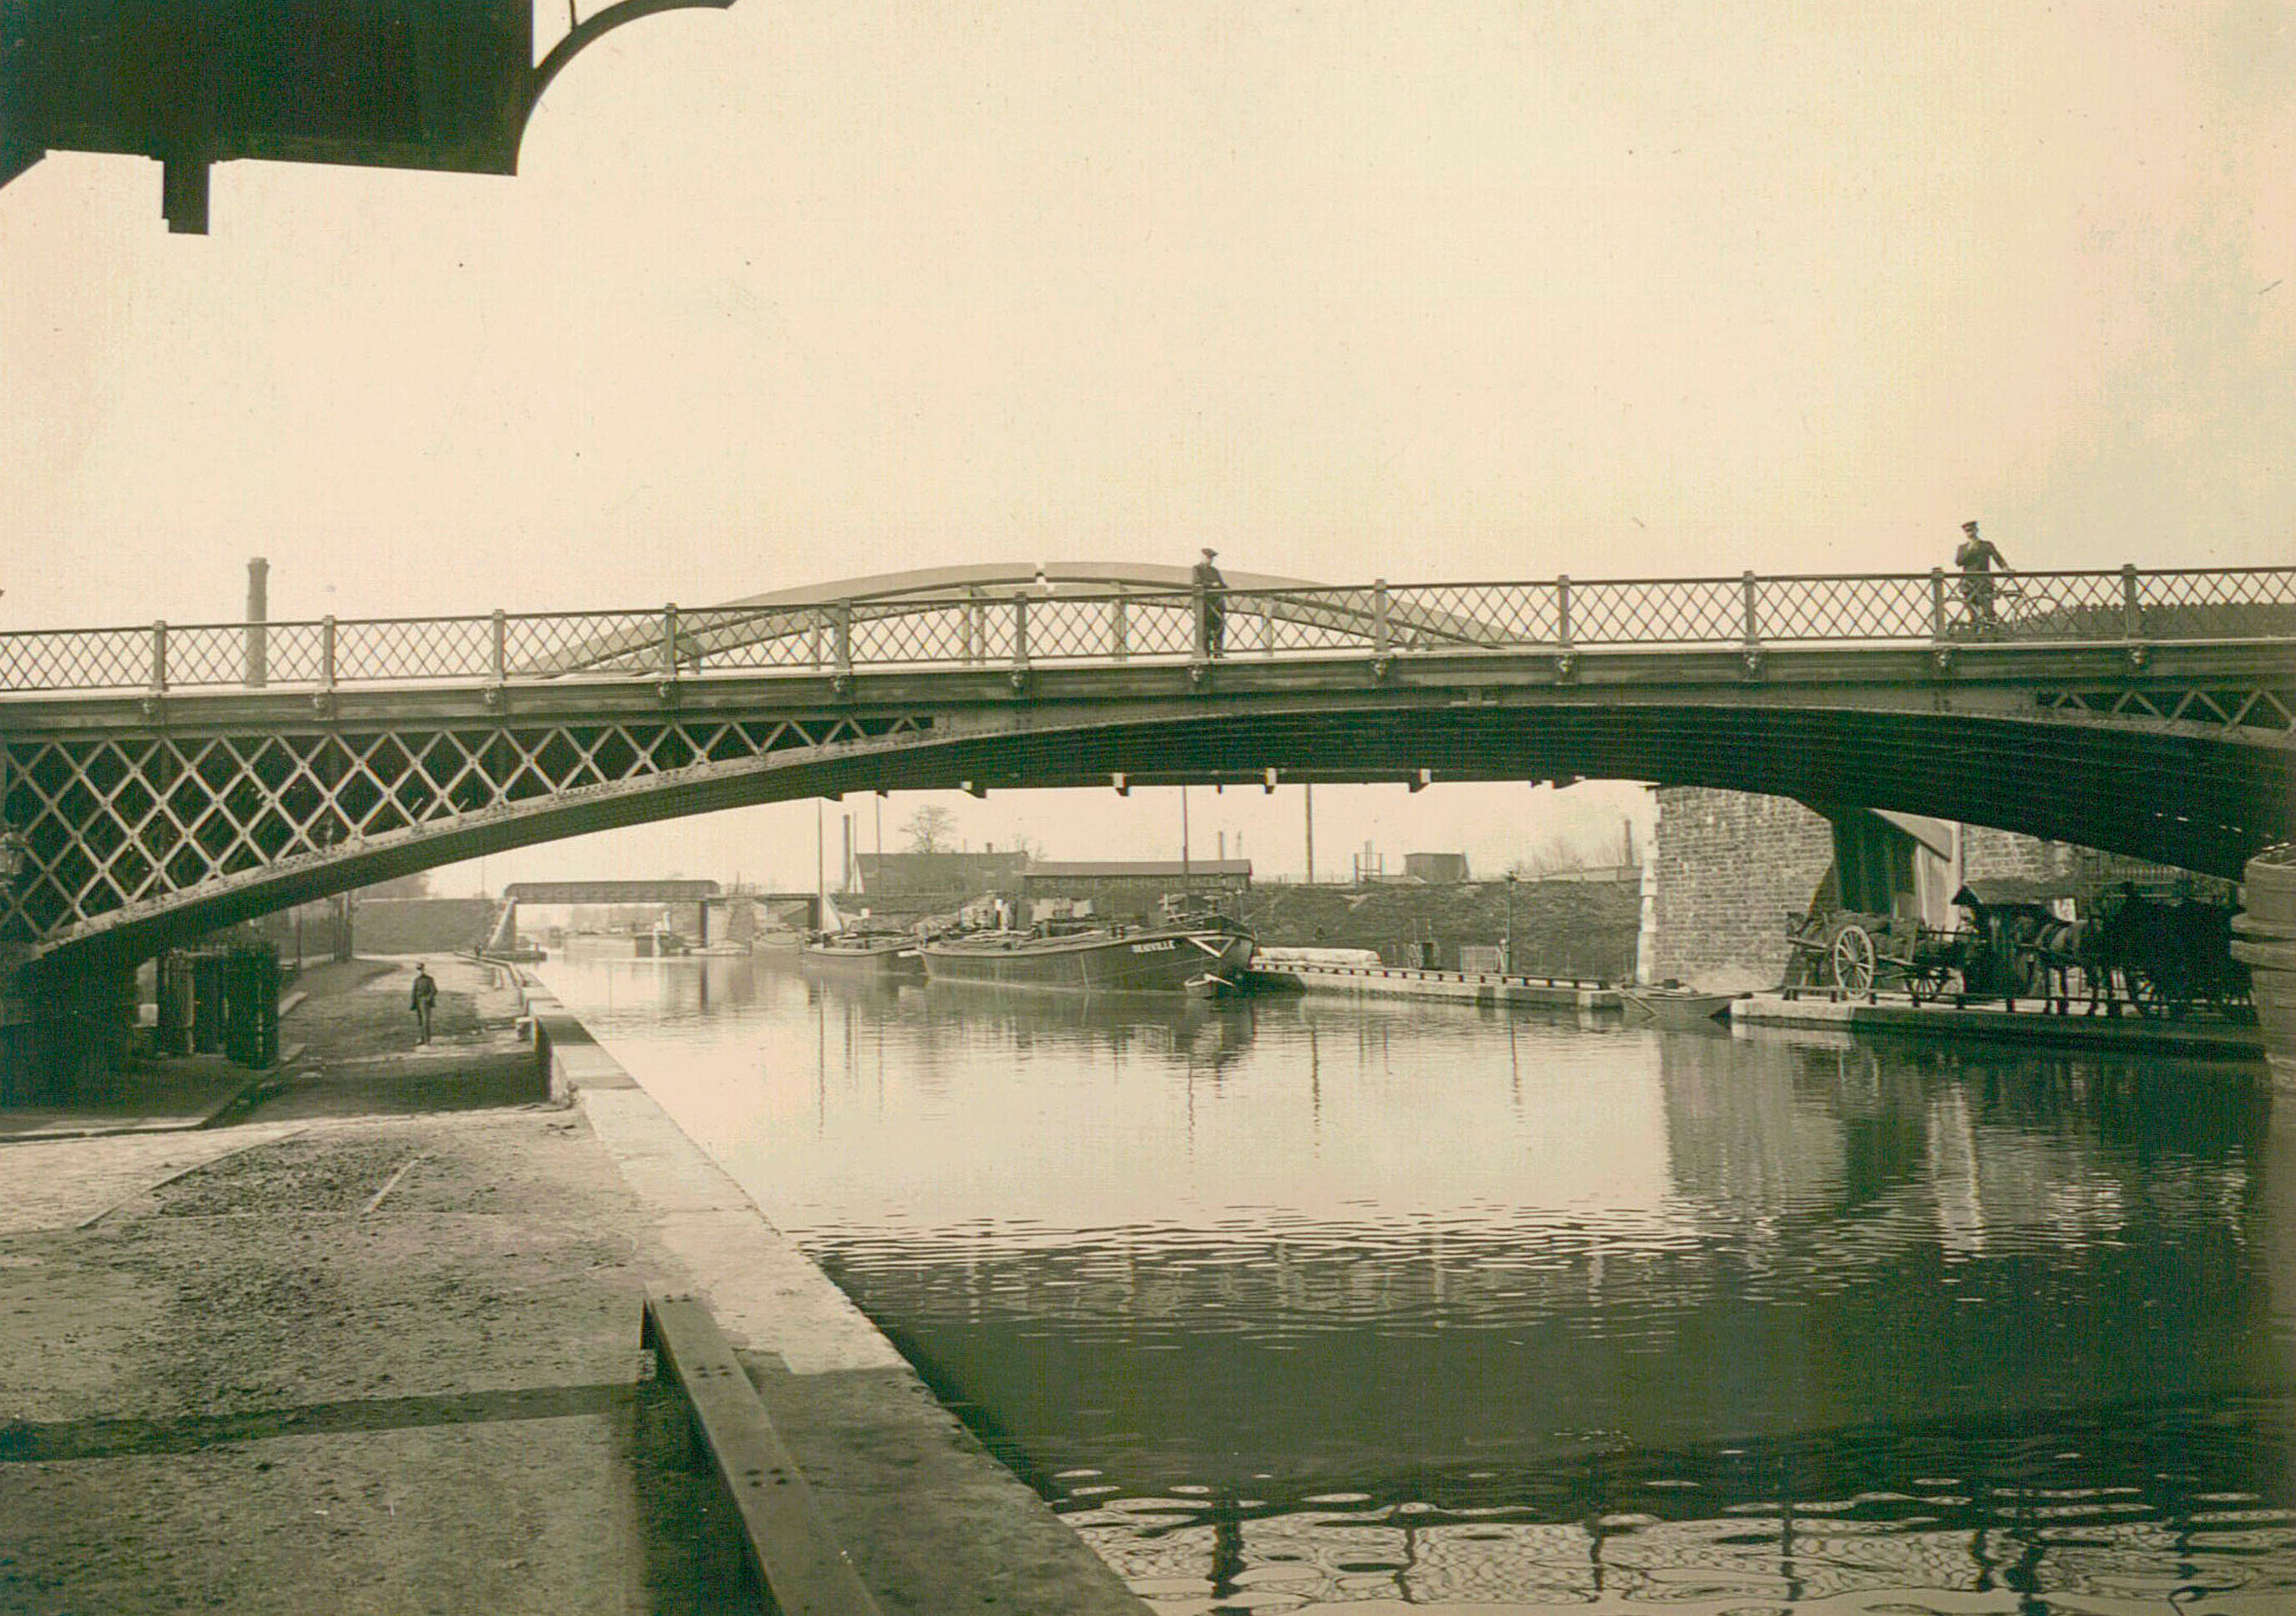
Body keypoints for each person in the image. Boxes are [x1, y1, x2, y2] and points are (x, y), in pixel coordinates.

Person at [1954, 519, 2009, 633]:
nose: (1970, 533)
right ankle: (1976, 637)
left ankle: (1992, 636)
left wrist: (2005, 568)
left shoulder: (1986, 545)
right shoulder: (1963, 548)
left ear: (1976, 530)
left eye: (1972, 530)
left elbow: (1997, 557)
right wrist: (1970, 549)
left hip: (1984, 582)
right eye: (1967, 531)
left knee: (1988, 611)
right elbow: (1959, 562)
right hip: (1968, 583)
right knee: (1973, 613)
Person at [1191, 546, 1227, 656]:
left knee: (1219, 628)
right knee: (1205, 630)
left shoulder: (1214, 571)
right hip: (1205, 605)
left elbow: (1222, 584)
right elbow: (1197, 582)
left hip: (1216, 604)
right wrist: (1212, 585)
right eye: (1208, 557)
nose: (1210, 560)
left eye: (1211, 558)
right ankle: (1205, 653)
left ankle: (1218, 652)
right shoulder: (1197, 569)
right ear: (1202, 557)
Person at [410, 961, 438, 1045]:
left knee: (426, 1021)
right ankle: (422, 1039)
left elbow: (434, 990)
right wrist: (413, 1003)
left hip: (425, 1002)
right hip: (418, 1002)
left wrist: (428, 998)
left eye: (421, 969)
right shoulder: (416, 980)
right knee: (420, 1021)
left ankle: (427, 1040)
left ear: (424, 969)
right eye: (418, 969)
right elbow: (414, 992)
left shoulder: (429, 979)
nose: (420, 971)